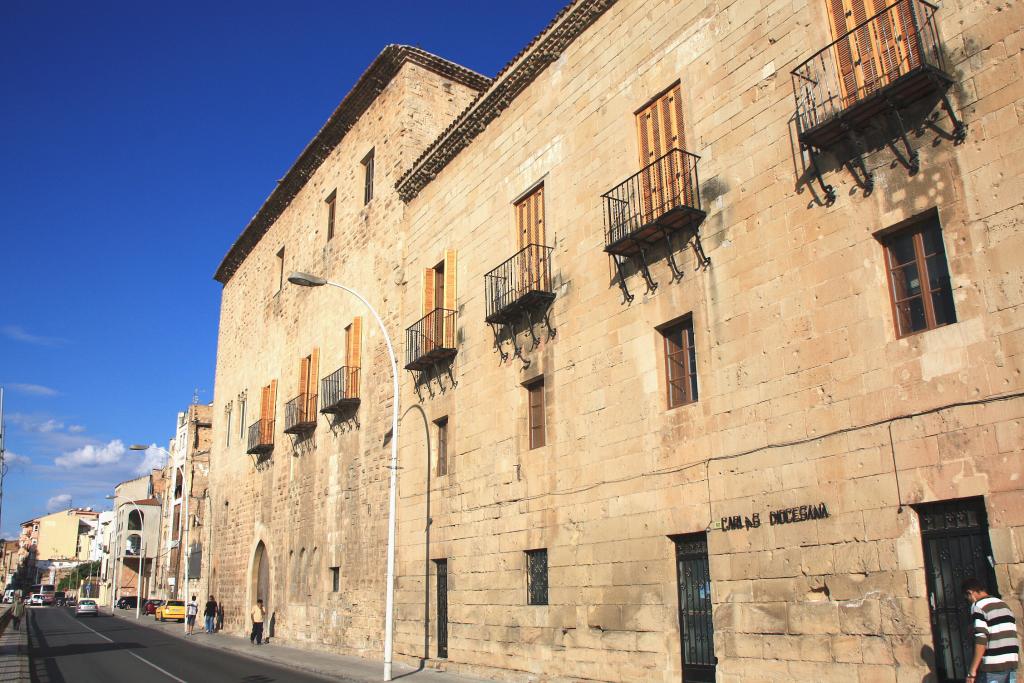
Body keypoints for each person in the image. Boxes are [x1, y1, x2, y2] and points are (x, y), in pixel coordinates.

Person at [963, 577, 1020, 683]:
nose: (969, 602)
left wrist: (972, 670)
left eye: (967, 598)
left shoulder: (978, 606)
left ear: (970, 593)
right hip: (1011, 663)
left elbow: (981, 640)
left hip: (992, 666)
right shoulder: (1003, 605)